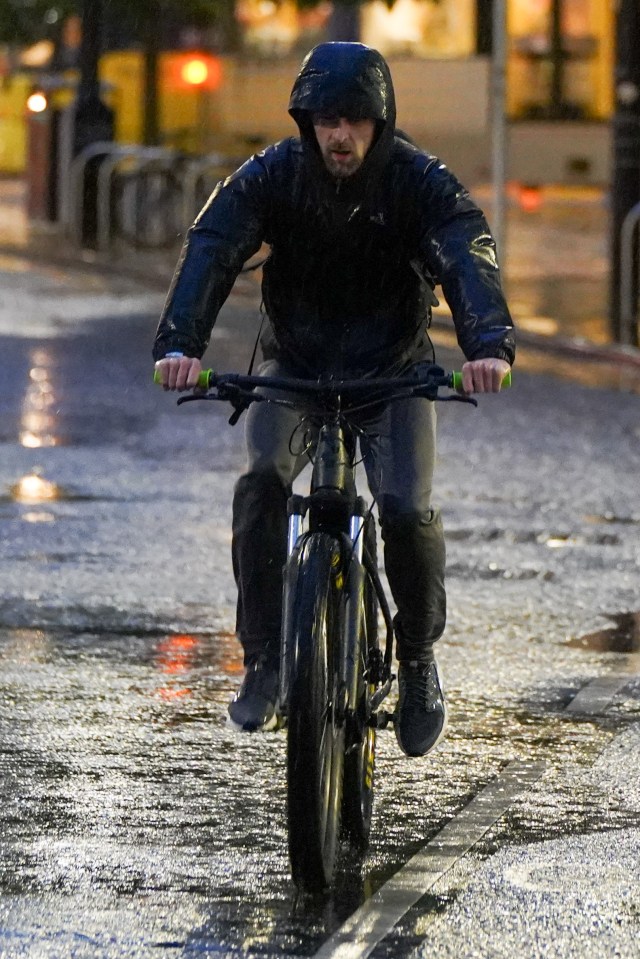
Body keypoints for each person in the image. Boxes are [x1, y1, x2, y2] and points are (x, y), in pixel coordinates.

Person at [153, 42, 514, 758]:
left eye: (354, 120)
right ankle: (262, 659)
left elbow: (463, 247)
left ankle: (415, 661)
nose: (338, 135)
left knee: (408, 510)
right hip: (295, 368)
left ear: (380, 122)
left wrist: (489, 346)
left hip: (394, 373)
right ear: (306, 121)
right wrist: (179, 343)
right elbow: (213, 246)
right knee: (260, 482)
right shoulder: (274, 176)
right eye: (324, 119)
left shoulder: (418, 181)